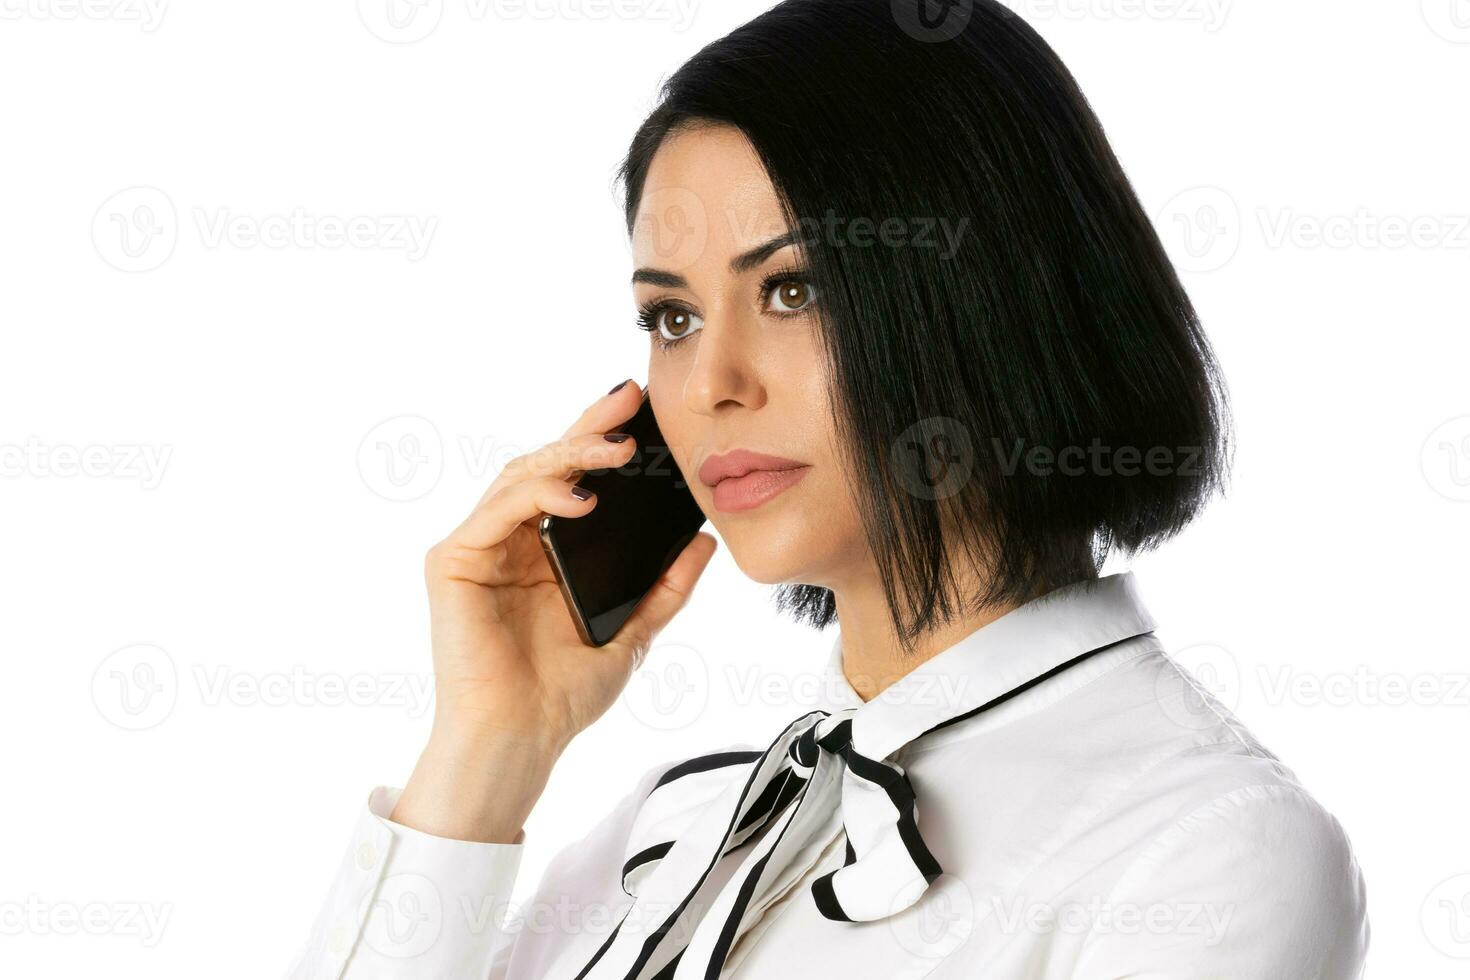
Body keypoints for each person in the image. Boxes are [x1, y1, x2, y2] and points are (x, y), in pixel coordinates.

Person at [290, 1, 1368, 976]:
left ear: (996, 296)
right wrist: (491, 744)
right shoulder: (672, 827)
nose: (712, 383)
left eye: (793, 287)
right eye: (672, 318)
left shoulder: (1207, 847)